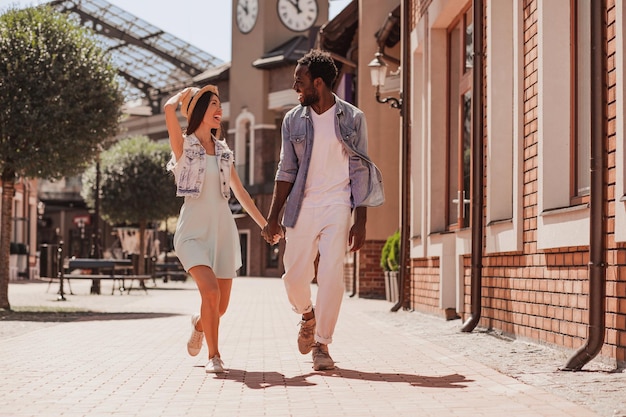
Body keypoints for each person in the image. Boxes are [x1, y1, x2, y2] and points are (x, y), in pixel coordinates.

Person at [262, 49, 385, 371]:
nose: (295, 88)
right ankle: (307, 314)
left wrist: (361, 220)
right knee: (294, 277)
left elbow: (361, 170)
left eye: (299, 82)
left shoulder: (353, 118)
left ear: (318, 82)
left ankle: (323, 344)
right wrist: (273, 217)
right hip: (302, 205)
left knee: (332, 274)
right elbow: (286, 170)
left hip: (338, 204)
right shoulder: (293, 120)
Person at [164, 85, 279, 373]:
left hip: (223, 233)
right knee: (211, 293)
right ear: (199, 111)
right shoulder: (185, 146)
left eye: (220, 104)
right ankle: (214, 356)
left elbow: (241, 193)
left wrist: (265, 224)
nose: (220, 110)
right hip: (192, 232)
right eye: (213, 104)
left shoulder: (225, 152)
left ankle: (199, 323)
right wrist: (180, 99)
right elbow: (168, 110)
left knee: (219, 307)